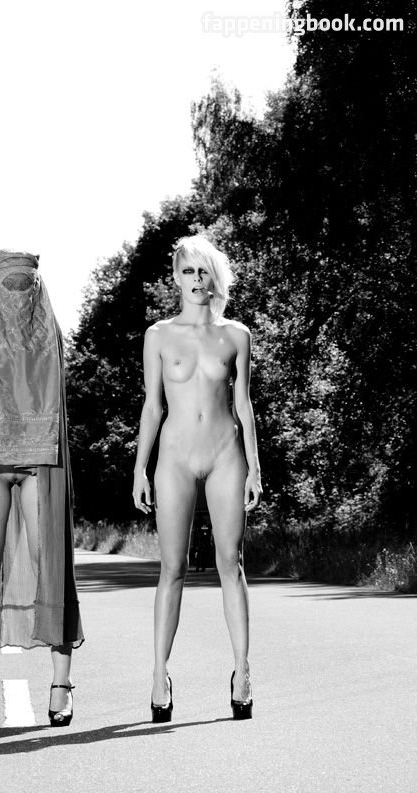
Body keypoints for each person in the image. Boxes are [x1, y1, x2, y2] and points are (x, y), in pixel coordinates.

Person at [0, 250, 83, 729]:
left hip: (39, 458)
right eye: (8, 287)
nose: (17, 297)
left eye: (26, 287)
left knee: (50, 564)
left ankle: (62, 682)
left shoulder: (50, 337)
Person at [132, 235, 262, 721]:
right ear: (175, 278)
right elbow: (152, 407)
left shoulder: (236, 335)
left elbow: (244, 406)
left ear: (215, 277)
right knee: (173, 567)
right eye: (187, 271)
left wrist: (254, 467)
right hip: (175, 459)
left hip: (226, 455)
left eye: (203, 270)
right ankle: (159, 674)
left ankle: (242, 671)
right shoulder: (158, 335)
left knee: (231, 562)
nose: (196, 279)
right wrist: (139, 468)